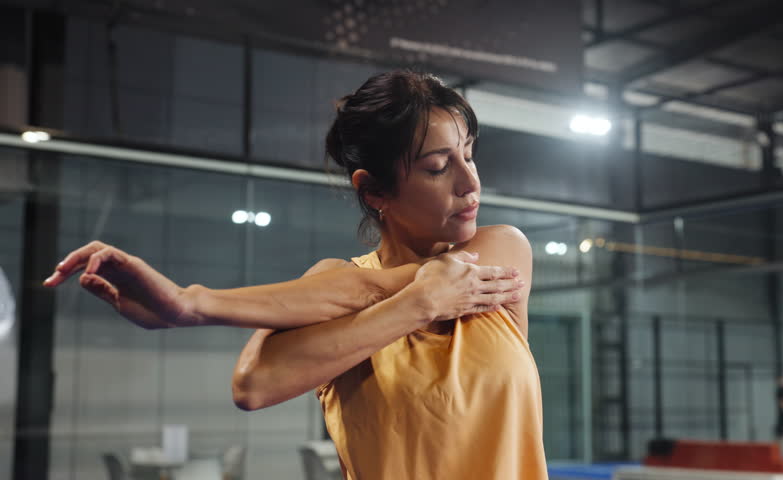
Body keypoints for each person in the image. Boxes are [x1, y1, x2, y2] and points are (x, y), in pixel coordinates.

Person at [44, 71, 547, 479]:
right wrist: (417, 305)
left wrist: (191, 303)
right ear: (374, 192)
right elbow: (253, 386)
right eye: (438, 166)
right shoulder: (331, 285)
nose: (470, 181)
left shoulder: (502, 250)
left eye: (470, 153)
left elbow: (385, 286)